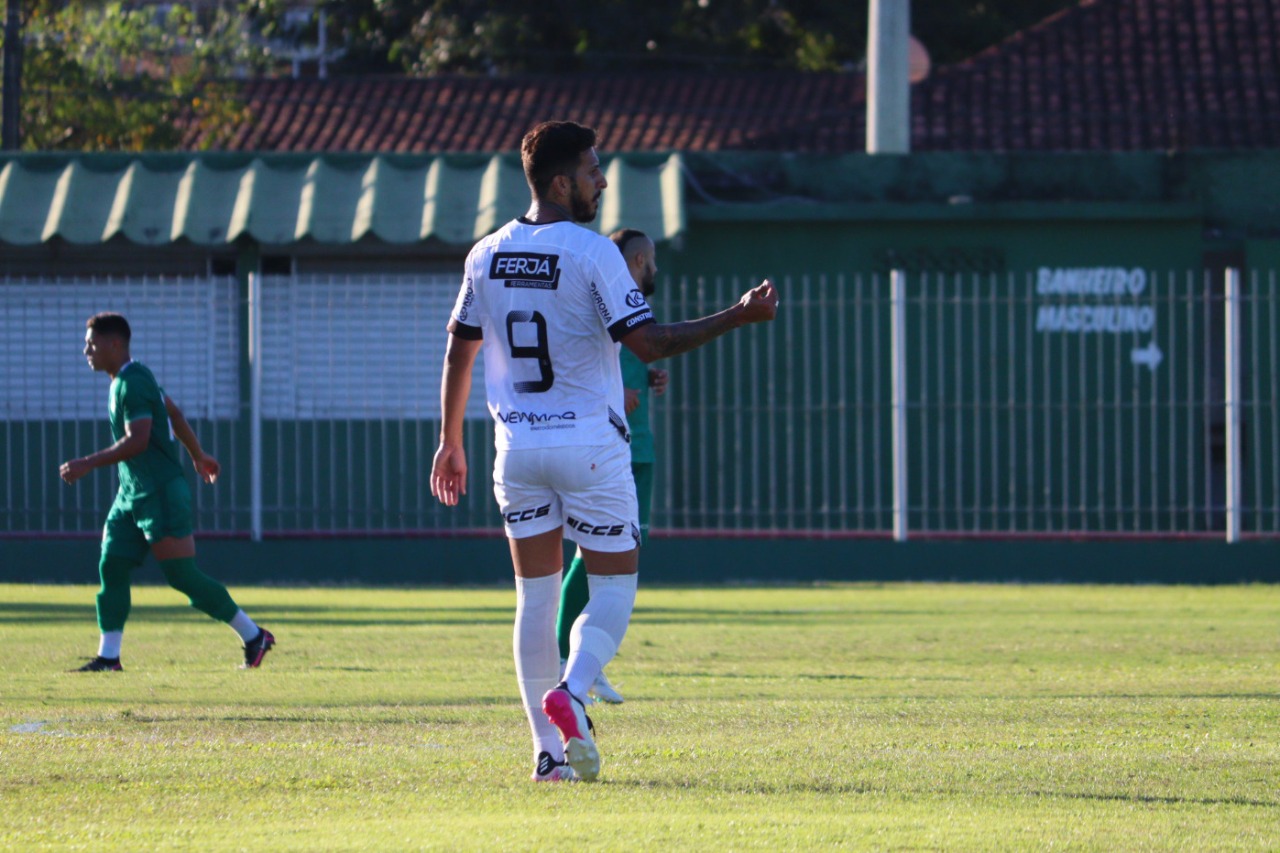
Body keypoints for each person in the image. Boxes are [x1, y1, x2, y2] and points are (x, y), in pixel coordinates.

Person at [430, 120, 777, 783]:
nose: (604, 179)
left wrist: (449, 439)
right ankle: (575, 688)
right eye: (594, 169)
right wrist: (736, 314)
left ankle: (547, 754)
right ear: (561, 181)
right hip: (589, 446)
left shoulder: (486, 253)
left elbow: (459, 348)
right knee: (615, 585)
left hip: (518, 451)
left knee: (533, 600)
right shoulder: (592, 253)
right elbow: (649, 345)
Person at [59, 312, 275, 672]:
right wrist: (199, 454)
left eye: (92, 344)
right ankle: (109, 657)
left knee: (182, 576)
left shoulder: (134, 382)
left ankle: (254, 636)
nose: (86, 350)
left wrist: (87, 462)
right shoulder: (130, 379)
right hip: (131, 494)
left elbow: (138, 441)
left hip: (159, 492)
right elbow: (172, 412)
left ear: (115, 344)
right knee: (111, 565)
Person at [555, 227, 669, 706]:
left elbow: (635, 355)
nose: (654, 268)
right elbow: (568, 362)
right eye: (652, 259)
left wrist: (650, 375)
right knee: (590, 558)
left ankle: (585, 664)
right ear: (640, 260)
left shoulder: (635, 308)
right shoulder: (598, 298)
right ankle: (571, 662)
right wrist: (610, 395)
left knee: (615, 560)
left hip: (637, 450)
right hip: (603, 452)